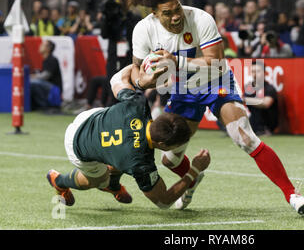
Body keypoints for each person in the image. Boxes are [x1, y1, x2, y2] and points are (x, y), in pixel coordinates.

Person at [124, 0, 304, 215]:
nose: (175, 16)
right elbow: (135, 68)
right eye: (167, 13)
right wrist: (143, 82)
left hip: (215, 80)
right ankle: (192, 178)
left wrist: (176, 61)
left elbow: (217, 62)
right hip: (183, 89)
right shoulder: (143, 29)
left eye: (177, 8)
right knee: (169, 159)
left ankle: (292, 194)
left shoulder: (200, 19)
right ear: (154, 13)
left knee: (245, 137)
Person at [47, 64, 211, 209]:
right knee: (99, 179)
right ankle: (60, 182)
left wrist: (142, 74)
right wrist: (194, 170)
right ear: (162, 144)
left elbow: (117, 79)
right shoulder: (141, 163)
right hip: (76, 144)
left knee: (119, 155)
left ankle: (112, 184)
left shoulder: (138, 105)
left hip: (88, 118)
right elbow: (164, 201)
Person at [244, 61, 279, 136]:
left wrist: (245, 100)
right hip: (253, 122)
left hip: (267, 124)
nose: (255, 74)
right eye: (253, 71)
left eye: (258, 71)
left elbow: (266, 103)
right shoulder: (249, 88)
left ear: (264, 73)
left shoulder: (270, 88)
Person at [30, 39, 62, 111]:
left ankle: (43, 105)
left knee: (33, 82)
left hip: (54, 88)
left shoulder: (52, 59)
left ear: (48, 48)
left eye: (42, 45)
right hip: (48, 85)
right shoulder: (46, 60)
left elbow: (45, 76)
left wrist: (33, 77)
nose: (40, 46)